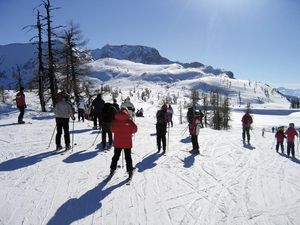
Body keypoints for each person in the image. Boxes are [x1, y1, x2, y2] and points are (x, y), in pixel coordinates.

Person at [109, 107, 137, 179]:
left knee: (116, 156)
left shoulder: (115, 121)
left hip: (117, 142)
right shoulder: (129, 121)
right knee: (128, 157)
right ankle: (130, 171)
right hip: (127, 142)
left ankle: (112, 169)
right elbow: (135, 129)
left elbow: (111, 129)